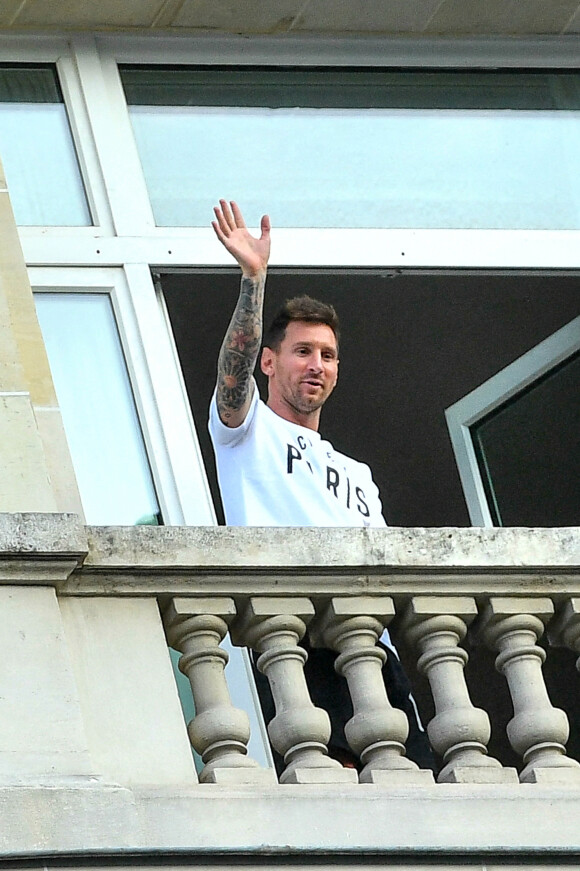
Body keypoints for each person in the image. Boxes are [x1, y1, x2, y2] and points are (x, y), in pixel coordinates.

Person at [208, 199, 434, 772]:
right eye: (302, 351)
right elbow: (230, 378)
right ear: (268, 362)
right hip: (296, 642)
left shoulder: (359, 476)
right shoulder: (247, 431)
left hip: (372, 658)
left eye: (328, 355)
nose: (316, 365)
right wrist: (252, 281)